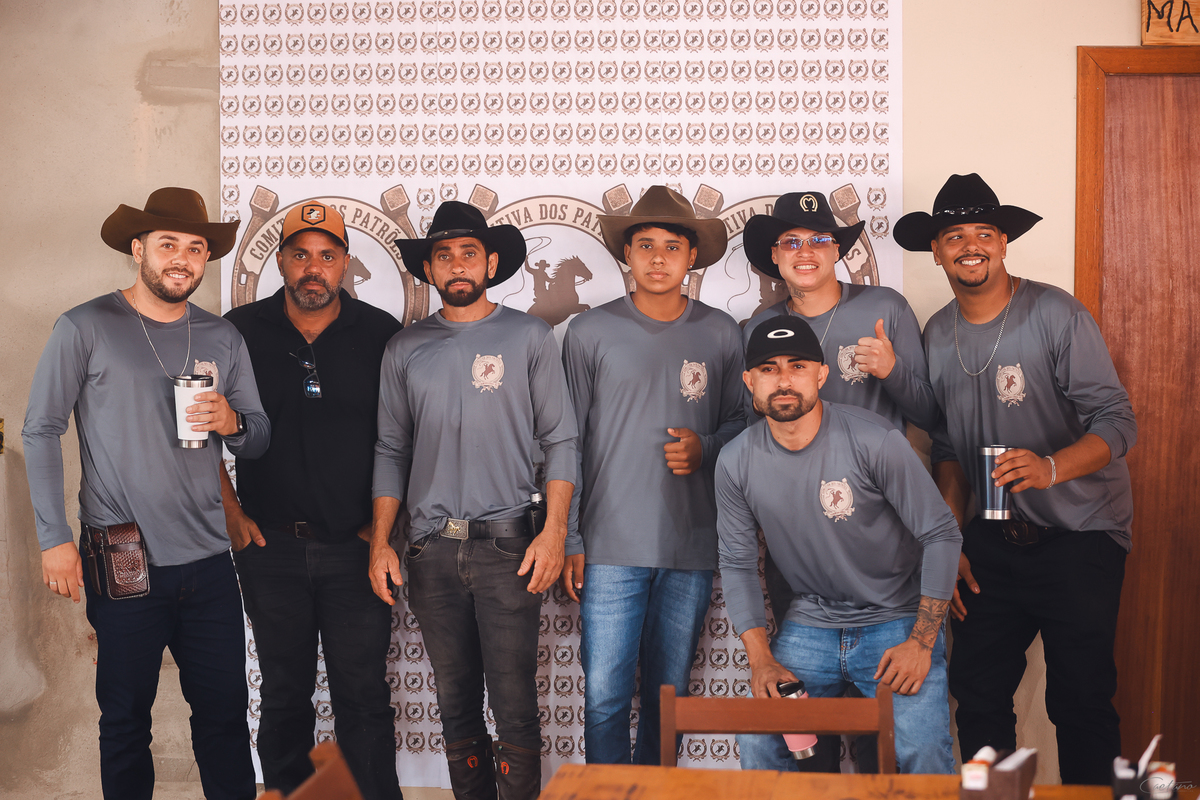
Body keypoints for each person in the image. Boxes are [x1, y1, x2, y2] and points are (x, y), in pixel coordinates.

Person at [23, 188, 269, 800]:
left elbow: (259, 437)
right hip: (123, 555)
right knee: (125, 719)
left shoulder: (221, 337)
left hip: (209, 561)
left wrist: (233, 423)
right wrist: (54, 539)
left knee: (225, 717)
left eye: (195, 248)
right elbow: (41, 429)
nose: (182, 258)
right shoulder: (84, 326)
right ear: (138, 250)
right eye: (168, 244)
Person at [895, 173, 1137, 785]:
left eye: (984, 233)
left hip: (1081, 533)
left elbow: (1118, 421)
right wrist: (949, 539)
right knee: (976, 693)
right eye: (955, 236)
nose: (970, 245)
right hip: (993, 539)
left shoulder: (1055, 312)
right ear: (937, 251)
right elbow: (947, 445)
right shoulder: (937, 332)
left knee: (1080, 698)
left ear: (1003, 243)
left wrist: (1050, 468)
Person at [370, 201, 578, 800]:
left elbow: (560, 440)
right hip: (430, 551)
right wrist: (381, 543)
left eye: (469, 253)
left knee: (515, 708)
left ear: (490, 263)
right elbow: (390, 449)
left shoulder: (528, 336)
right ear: (428, 269)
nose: (457, 264)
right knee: (455, 704)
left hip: (510, 546)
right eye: (444, 255)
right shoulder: (405, 348)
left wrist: (555, 533)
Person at [740, 190, 940, 770]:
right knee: (807, 727)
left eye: (819, 239)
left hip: (881, 535)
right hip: (799, 546)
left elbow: (931, 415)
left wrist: (892, 371)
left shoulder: (884, 306)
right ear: (775, 255)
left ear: (838, 250)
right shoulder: (762, 324)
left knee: (892, 725)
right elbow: (752, 424)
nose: (806, 251)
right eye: (792, 242)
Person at [716, 315, 961, 775]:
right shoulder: (734, 461)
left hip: (895, 620)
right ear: (749, 381)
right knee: (760, 739)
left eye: (798, 366)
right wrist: (761, 660)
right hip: (812, 623)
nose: (784, 380)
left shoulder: (875, 440)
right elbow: (737, 564)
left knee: (923, 750)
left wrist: (921, 642)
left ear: (822, 374)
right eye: (768, 369)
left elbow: (942, 534)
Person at [220, 201, 404, 798]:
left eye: (327, 255)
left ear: (345, 263)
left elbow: (402, 441)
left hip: (356, 549)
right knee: (283, 697)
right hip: (269, 546)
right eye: (300, 255)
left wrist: (382, 533)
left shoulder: (381, 334)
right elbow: (195, 428)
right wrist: (231, 512)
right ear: (280, 261)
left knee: (364, 697)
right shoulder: (238, 330)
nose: (313, 268)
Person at [561, 186, 745, 765]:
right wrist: (569, 537)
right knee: (605, 700)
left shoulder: (722, 332)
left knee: (671, 700)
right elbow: (565, 442)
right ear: (627, 254)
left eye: (672, 246)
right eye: (645, 245)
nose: (658, 258)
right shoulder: (588, 332)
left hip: (690, 545)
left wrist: (705, 447)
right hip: (608, 547)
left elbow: (745, 426)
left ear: (692, 257)